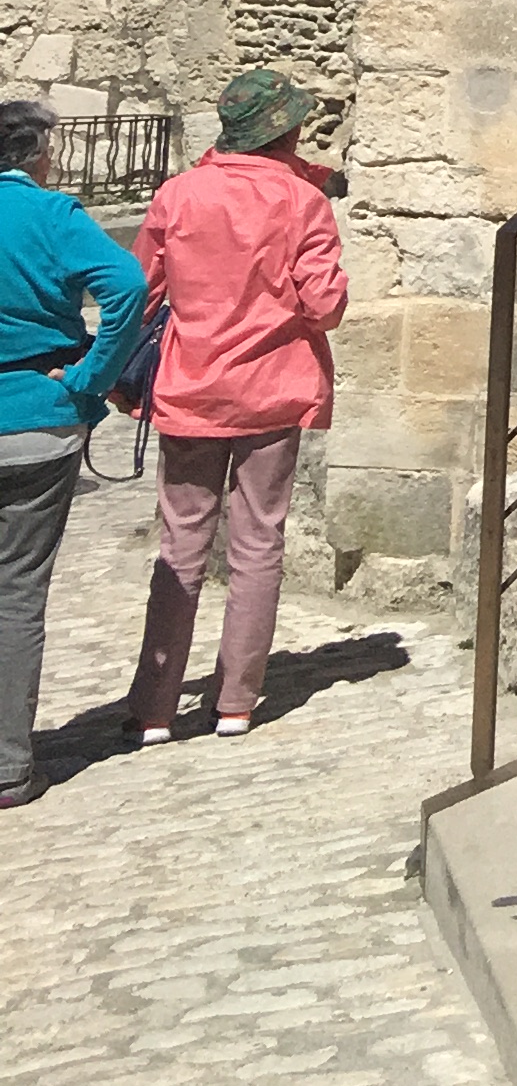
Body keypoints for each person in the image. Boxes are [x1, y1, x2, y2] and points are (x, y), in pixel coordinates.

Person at [124, 65, 347, 743]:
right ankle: (236, 702)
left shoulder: (178, 194)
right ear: (286, 131)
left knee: (181, 544)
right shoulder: (302, 201)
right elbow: (326, 305)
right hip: (273, 391)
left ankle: (155, 707)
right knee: (258, 541)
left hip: (191, 390)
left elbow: (138, 291)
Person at [0, 98, 152, 807]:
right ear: (35, 154)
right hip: (36, 419)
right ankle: (8, 765)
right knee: (16, 592)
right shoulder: (51, 214)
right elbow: (127, 285)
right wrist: (93, 377)